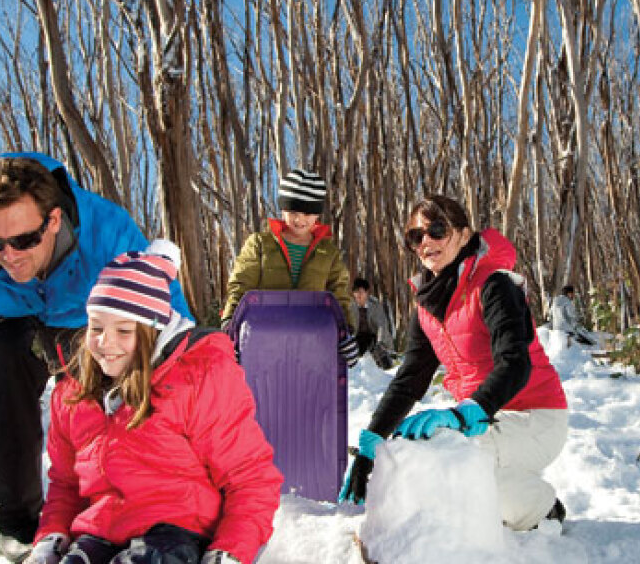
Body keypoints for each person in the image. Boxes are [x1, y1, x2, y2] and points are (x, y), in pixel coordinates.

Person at [0, 154, 192, 562]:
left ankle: (126, 507)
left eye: (23, 241)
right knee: (1, 365)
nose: (9, 256)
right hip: (11, 320)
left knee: (114, 387)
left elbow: (166, 314)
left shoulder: (106, 232)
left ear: (53, 221)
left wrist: (197, 374)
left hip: (85, 318)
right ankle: (16, 524)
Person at [25, 241, 282, 564]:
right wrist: (51, 535)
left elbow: (249, 477)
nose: (105, 342)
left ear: (152, 334)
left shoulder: (197, 381)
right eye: (96, 327)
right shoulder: (74, 397)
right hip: (100, 532)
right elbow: (65, 484)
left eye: (123, 330)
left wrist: (230, 550)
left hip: (176, 531)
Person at [338, 194, 569, 531]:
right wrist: (372, 442)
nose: (426, 242)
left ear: (463, 235)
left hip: (535, 416)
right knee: (420, 454)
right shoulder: (427, 305)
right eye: (416, 236)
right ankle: (507, 495)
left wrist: (465, 413)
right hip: (486, 419)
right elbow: (410, 379)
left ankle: (540, 508)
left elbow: (515, 363)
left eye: (437, 230)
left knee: (452, 460)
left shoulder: (495, 284)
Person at [219, 169, 358, 365]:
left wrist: (346, 332)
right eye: (293, 212)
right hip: (263, 339)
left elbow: (339, 296)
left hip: (312, 343)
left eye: (307, 213)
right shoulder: (260, 244)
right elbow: (240, 286)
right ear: (283, 209)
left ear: (317, 214)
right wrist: (230, 325)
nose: (299, 220)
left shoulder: (328, 253)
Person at [352, 277, 395, 369]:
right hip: (357, 338)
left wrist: (380, 342)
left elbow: (381, 326)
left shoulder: (375, 305)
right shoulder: (351, 306)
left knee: (379, 352)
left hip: (373, 337)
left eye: (361, 292)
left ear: (367, 293)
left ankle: (387, 366)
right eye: (356, 292)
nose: (358, 295)